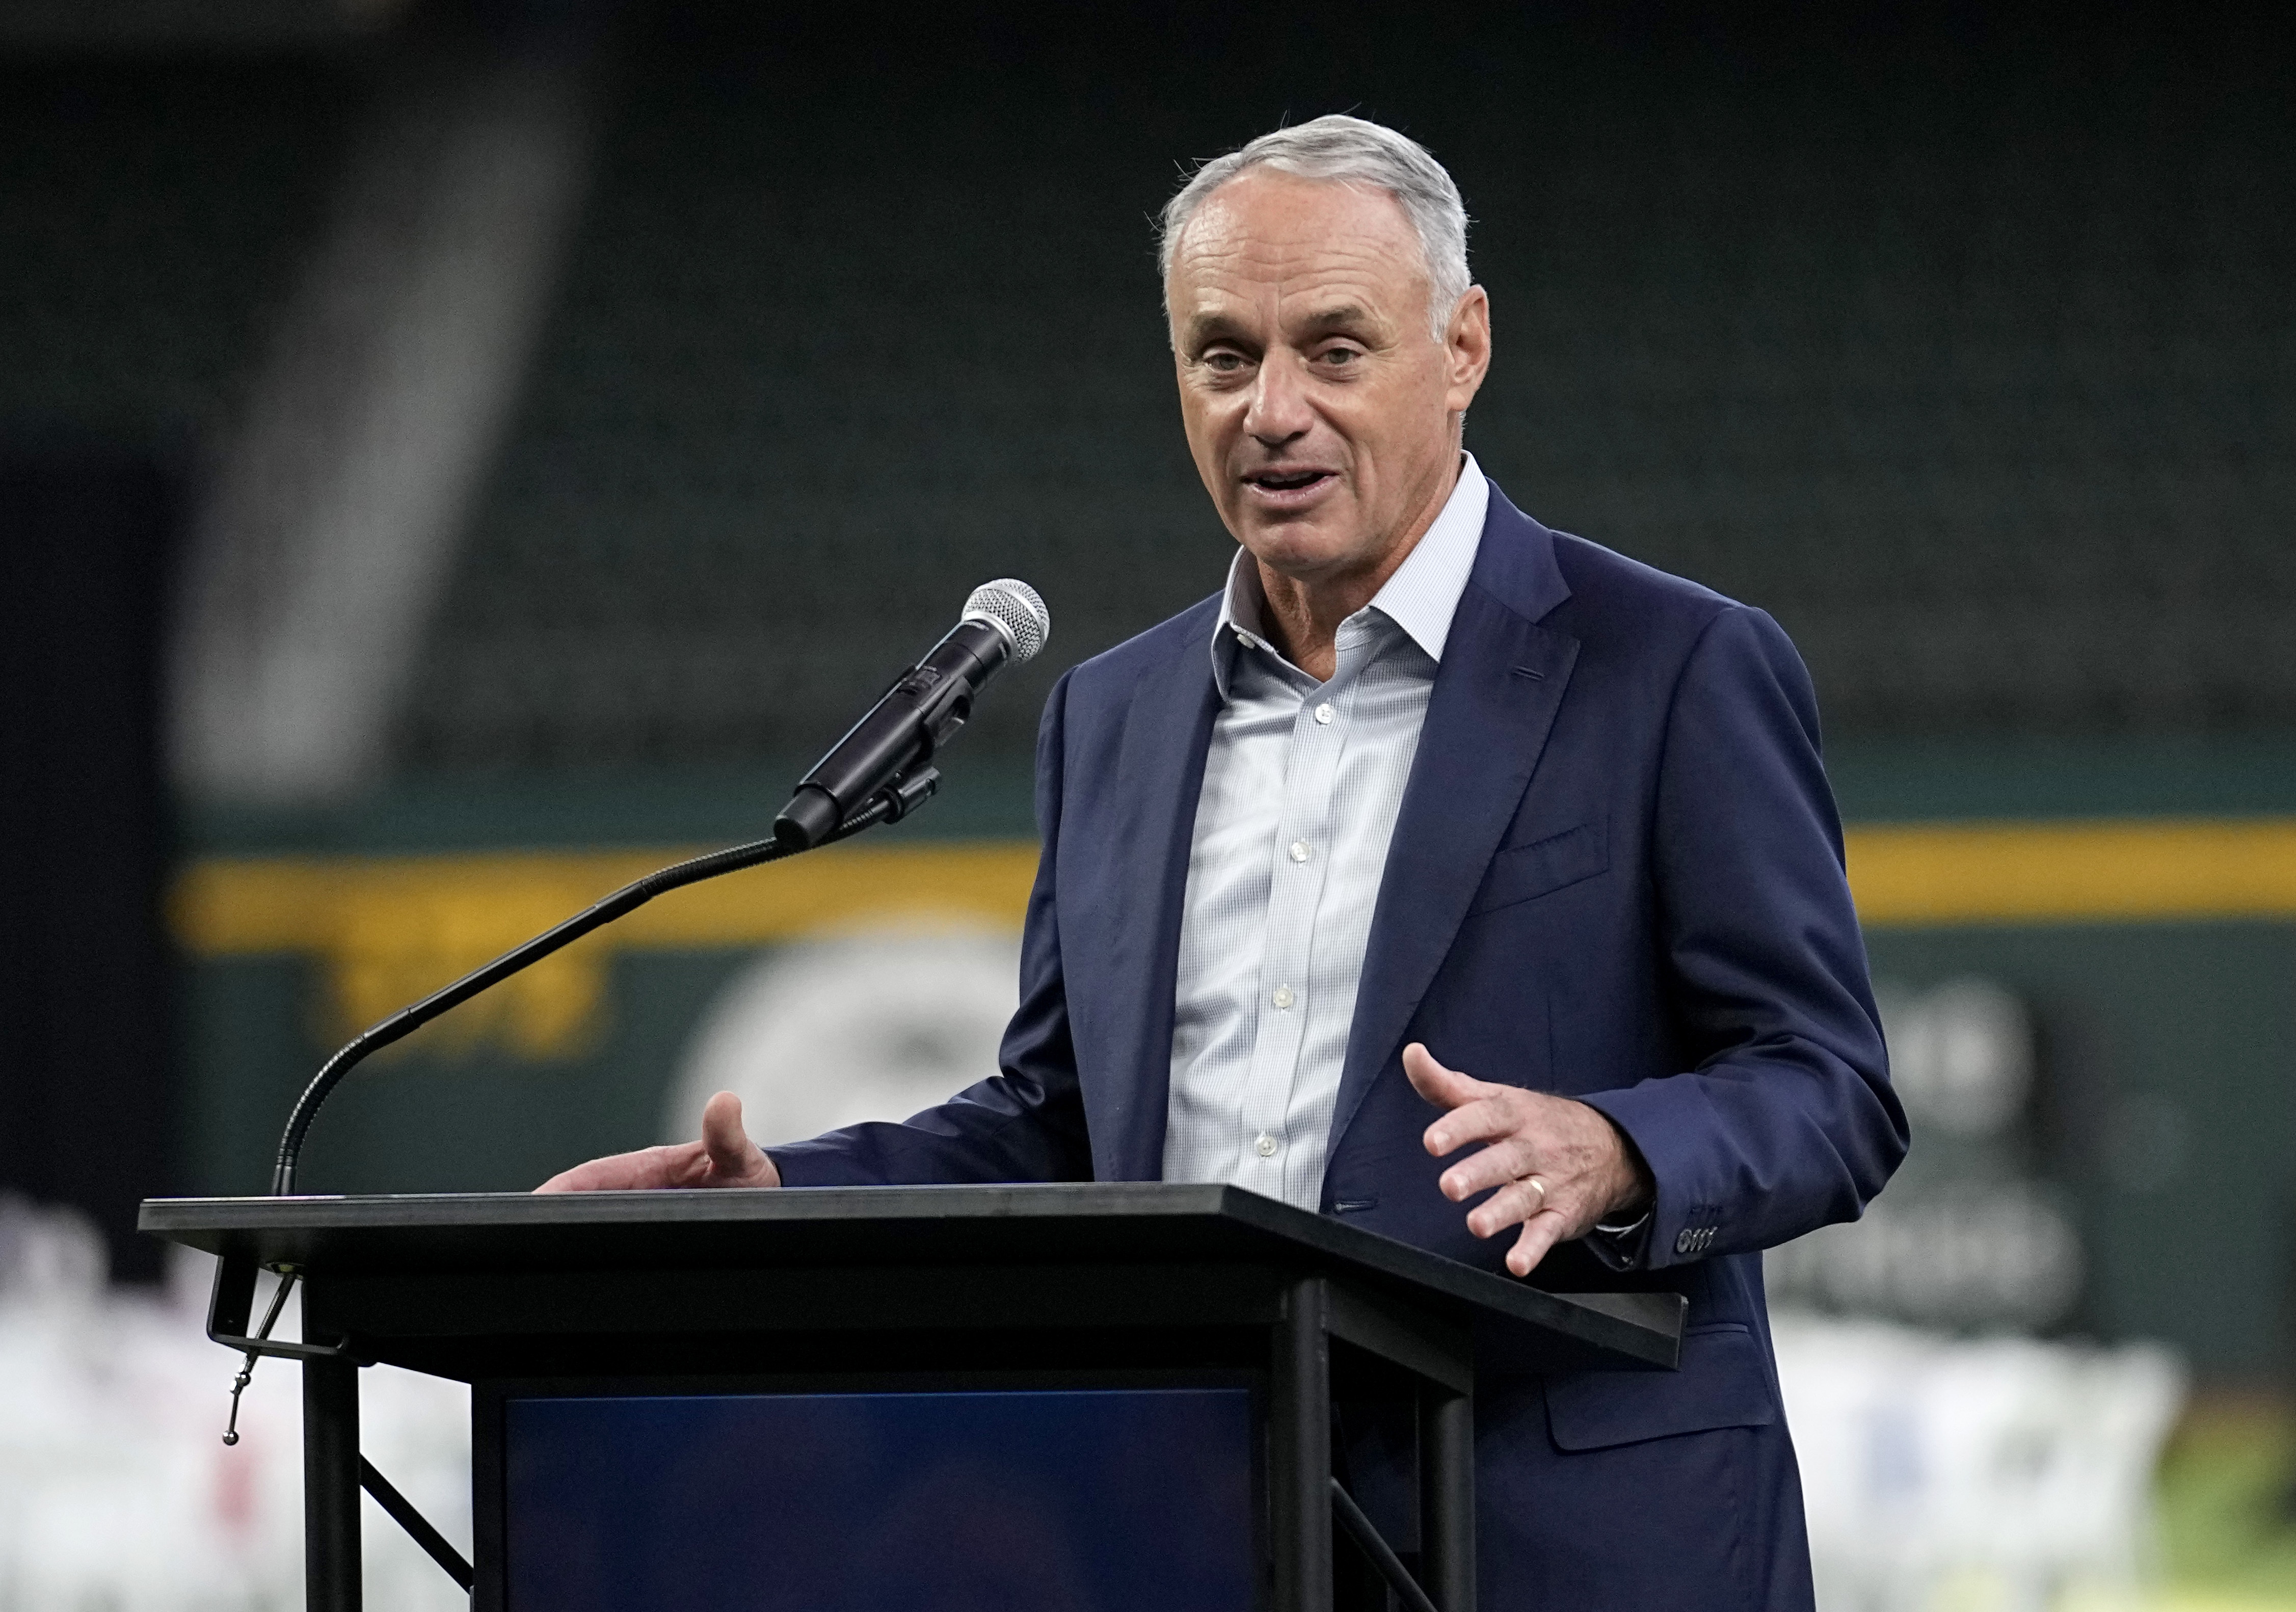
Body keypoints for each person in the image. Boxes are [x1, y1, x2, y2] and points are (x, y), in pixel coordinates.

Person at [541, 114, 1906, 1608]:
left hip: (1564, 1542)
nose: (1270, 410)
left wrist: (1619, 1151)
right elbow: (1061, 1124)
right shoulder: (1111, 716)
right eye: (1220, 355)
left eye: (1333, 349)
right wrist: (780, 1194)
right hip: (1196, 1530)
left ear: (1461, 347)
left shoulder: (1670, 663)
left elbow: (1826, 1086)